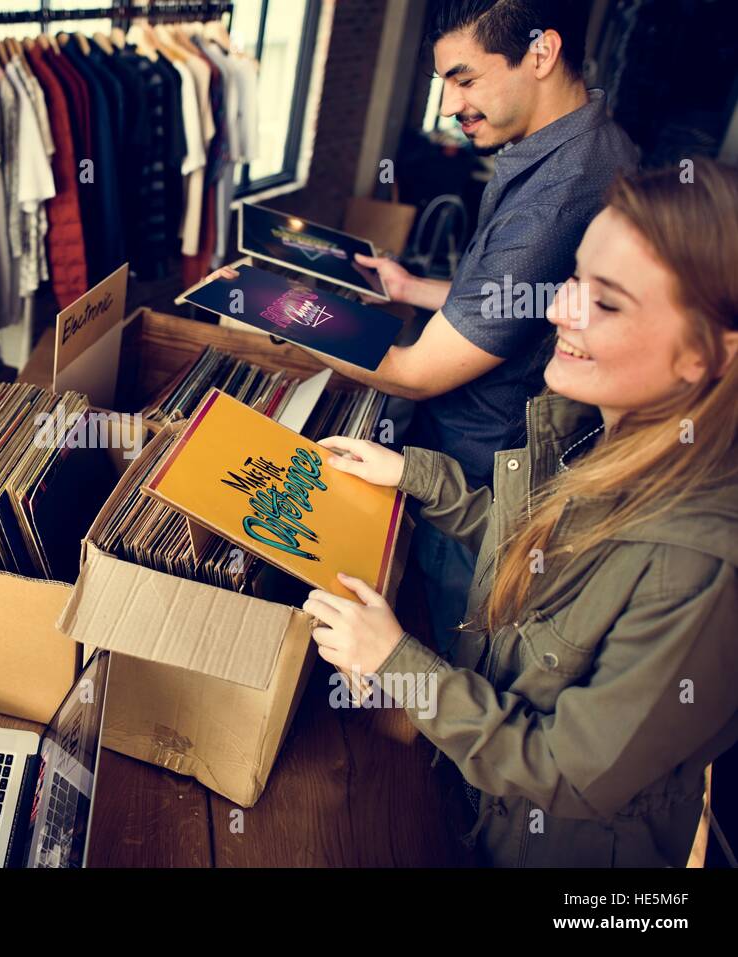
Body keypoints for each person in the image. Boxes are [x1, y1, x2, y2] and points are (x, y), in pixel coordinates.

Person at [306, 161, 738, 866]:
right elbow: (532, 559)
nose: (561, 309)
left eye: (609, 303)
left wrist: (395, 663)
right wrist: (416, 476)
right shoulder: (598, 426)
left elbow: (568, 768)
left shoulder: (700, 566)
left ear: (706, 353)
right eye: (574, 280)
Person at [217, 0, 637, 655]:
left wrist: (279, 311)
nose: (447, 106)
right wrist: (415, 287)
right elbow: (518, 297)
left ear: (542, 53)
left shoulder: (559, 195)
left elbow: (415, 372)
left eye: (465, 80)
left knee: (450, 649)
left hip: (483, 464)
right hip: (480, 450)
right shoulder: (587, 139)